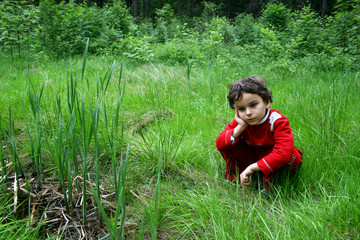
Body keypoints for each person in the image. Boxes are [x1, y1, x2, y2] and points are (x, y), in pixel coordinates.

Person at [216, 76, 302, 192]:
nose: (248, 113)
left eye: (253, 105)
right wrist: (240, 127)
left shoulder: (277, 121)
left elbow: (283, 153)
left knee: (292, 156)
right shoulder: (241, 122)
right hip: (253, 155)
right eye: (241, 109)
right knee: (228, 142)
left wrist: (253, 167)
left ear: (267, 102)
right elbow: (219, 144)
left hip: (272, 158)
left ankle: (272, 185)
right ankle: (237, 178)